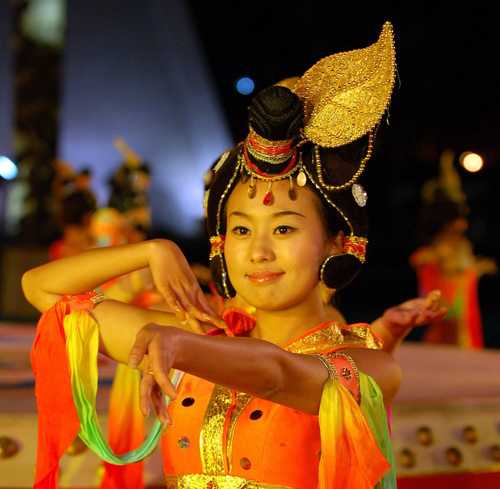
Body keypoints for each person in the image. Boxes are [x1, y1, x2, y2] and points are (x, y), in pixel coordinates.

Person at [25, 23, 407, 489]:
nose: (258, 252)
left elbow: (274, 374)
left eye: (284, 228)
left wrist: (181, 345)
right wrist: (152, 250)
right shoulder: (194, 340)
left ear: (336, 242)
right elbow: (42, 289)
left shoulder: (369, 369)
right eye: (241, 230)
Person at [410, 150, 497, 349]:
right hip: (450, 296)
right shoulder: (442, 244)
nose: (462, 224)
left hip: (460, 295)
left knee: (459, 332)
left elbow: (463, 267)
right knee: (448, 330)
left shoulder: (459, 243)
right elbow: (425, 261)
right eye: (458, 219)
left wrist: (478, 268)